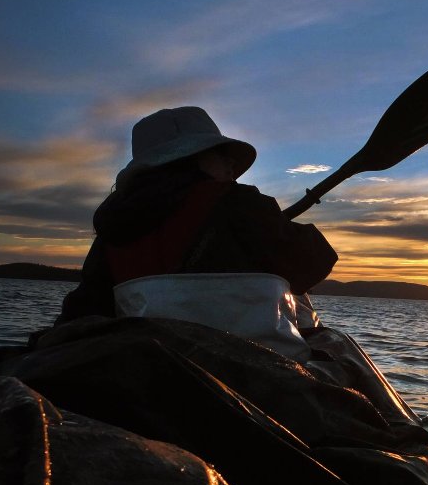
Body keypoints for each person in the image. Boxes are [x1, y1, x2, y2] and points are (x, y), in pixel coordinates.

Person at [56, 106, 338, 328]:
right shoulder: (241, 203)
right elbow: (315, 262)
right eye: (220, 154)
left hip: (146, 373)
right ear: (189, 160)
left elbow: (83, 311)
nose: (231, 164)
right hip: (244, 361)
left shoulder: (112, 227)